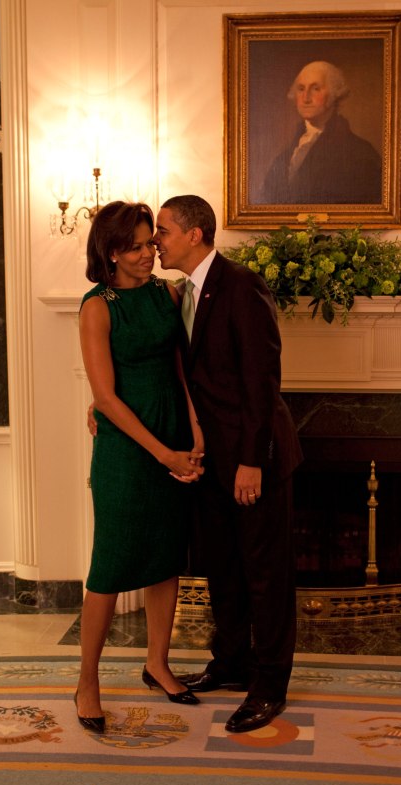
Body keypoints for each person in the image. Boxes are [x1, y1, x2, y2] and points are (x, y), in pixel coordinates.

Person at [154, 194, 304, 734]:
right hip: (210, 463)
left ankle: (270, 685)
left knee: (266, 576)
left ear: (195, 233)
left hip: (251, 460)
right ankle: (232, 663)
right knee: (225, 573)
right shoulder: (180, 293)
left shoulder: (241, 284)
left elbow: (263, 380)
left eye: (164, 232)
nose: (156, 242)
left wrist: (251, 461)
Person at [75, 200, 206, 732]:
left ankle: (157, 662)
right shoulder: (97, 307)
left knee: (164, 556)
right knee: (109, 567)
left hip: (174, 429)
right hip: (128, 450)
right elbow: (104, 397)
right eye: (136, 246)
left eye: (151, 242)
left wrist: (195, 433)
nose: (149, 252)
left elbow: (182, 367)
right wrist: (163, 453)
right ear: (111, 253)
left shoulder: (166, 293)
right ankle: (88, 679)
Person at [257, 60, 383, 205]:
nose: (306, 98)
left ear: (334, 94)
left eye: (315, 89)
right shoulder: (283, 158)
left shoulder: (361, 154)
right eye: (301, 89)